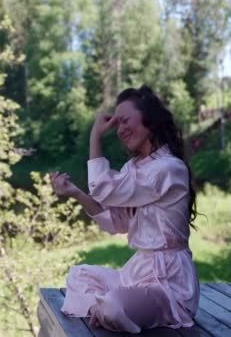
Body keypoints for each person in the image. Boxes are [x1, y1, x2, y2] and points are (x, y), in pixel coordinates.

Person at [49, 85, 200, 333]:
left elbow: (102, 187)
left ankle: (108, 310)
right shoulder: (134, 168)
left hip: (168, 284)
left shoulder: (168, 169)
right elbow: (114, 224)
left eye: (125, 120)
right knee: (79, 275)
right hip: (137, 271)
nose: (120, 130)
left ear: (149, 120)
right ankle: (107, 310)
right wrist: (75, 192)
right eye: (117, 124)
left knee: (112, 305)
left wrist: (95, 136)